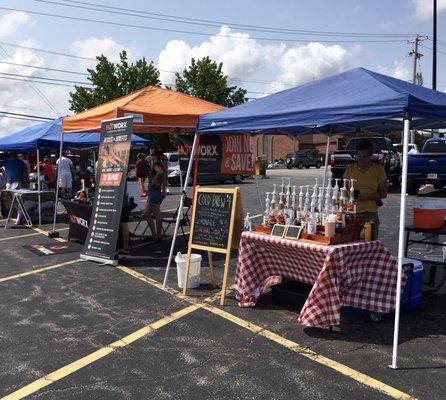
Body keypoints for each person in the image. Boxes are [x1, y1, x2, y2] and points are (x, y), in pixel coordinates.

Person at [343, 138, 388, 240]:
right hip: (353, 213)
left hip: (370, 213)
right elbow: (344, 190)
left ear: (370, 155)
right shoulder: (350, 169)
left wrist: (369, 196)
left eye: (365, 157)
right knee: (351, 242)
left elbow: (384, 193)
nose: (361, 160)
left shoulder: (378, 169)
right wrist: (350, 195)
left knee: (370, 242)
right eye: (359, 156)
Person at [144, 149, 167, 241]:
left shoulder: (156, 164)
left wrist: (154, 180)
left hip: (154, 191)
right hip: (155, 191)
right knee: (147, 213)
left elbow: (160, 172)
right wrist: (164, 190)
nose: (151, 156)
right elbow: (164, 178)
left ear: (156, 156)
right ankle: (155, 234)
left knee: (157, 214)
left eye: (152, 154)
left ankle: (157, 235)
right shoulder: (161, 163)